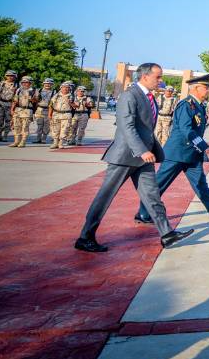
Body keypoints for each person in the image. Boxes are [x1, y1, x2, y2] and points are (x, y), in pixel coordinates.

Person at [75, 62, 193, 253]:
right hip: (125, 156)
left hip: (143, 159)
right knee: (105, 196)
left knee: (152, 196)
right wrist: (142, 150)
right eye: (158, 77)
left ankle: (167, 234)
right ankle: (85, 237)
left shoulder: (150, 97)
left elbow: (145, 127)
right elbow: (126, 126)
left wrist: (150, 150)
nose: (161, 81)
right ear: (145, 76)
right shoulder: (130, 95)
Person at [134, 74, 209, 226]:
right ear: (195, 88)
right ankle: (144, 213)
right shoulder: (186, 104)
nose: (208, 90)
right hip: (177, 152)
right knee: (160, 184)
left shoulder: (199, 105)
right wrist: (203, 145)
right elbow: (186, 129)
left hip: (191, 154)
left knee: (200, 182)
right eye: (205, 88)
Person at [10, 75, 37, 147]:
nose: (24, 83)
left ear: (30, 83)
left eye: (26, 82)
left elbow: (36, 101)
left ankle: (23, 141)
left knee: (25, 127)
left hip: (27, 110)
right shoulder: (19, 90)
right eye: (23, 82)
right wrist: (12, 109)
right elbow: (15, 100)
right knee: (16, 126)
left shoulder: (34, 90)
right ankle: (16, 141)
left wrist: (32, 99)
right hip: (18, 110)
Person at [48, 81, 75, 149]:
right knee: (55, 129)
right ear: (61, 88)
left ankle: (61, 143)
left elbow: (75, 106)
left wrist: (71, 103)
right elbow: (51, 105)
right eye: (64, 87)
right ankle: (55, 143)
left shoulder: (72, 96)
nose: (65, 89)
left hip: (66, 114)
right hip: (56, 114)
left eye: (67, 88)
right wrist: (49, 114)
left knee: (65, 129)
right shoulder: (56, 95)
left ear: (69, 89)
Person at [0, 70, 18, 141]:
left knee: (8, 121)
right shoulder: (1, 83)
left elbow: (16, 97)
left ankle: (5, 136)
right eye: (8, 75)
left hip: (10, 104)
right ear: (6, 76)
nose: (10, 77)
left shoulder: (16, 85)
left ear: (15, 77)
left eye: (12, 76)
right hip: (0, 103)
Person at [34, 78, 55, 143]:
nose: (48, 85)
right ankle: (38, 139)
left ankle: (44, 139)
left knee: (46, 125)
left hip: (48, 109)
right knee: (39, 124)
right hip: (39, 109)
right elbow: (34, 100)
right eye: (46, 83)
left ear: (52, 85)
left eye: (49, 84)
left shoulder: (54, 92)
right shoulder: (38, 90)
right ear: (43, 84)